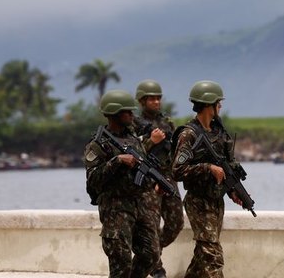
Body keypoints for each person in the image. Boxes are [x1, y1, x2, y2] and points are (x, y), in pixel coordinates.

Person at [84, 90, 161, 278]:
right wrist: (117, 161)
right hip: (115, 209)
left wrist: (155, 183)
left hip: (139, 205)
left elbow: (143, 167)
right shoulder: (98, 144)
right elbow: (92, 181)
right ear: (115, 113)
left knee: (151, 255)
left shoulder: (133, 139)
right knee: (121, 261)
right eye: (128, 111)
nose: (132, 115)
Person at [171, 80, 244, 278]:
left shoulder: (219, 133)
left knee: (203, 255)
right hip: (198, 202)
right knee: (213, 257)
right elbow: (177, 170)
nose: (220, 106)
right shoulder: (188, 135)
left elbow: (227, 167)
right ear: (208, 104)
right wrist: (207, 168)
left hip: (216, 202)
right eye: (217, 102)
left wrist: (233, 190)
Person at [133, 79, 184, 278]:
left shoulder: (167, 121)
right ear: (142, 101)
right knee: (151, 226)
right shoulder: (133, 123)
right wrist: (149, 141)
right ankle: (157, 269)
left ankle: (150, 254)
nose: (156, 102)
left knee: (176, 223)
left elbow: (174, 149)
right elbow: (131, 151)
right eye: (151, 99)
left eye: (158, 98)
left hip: (167, 178)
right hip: (147, 180)